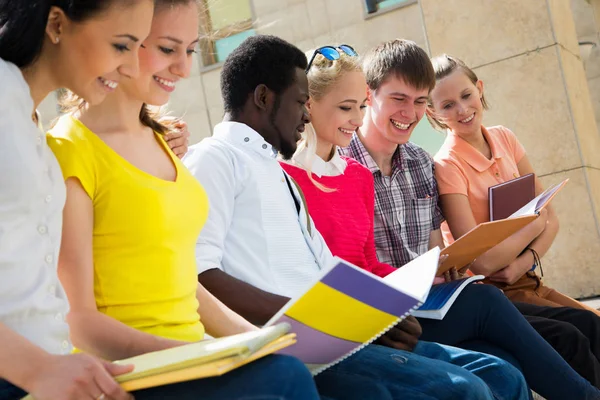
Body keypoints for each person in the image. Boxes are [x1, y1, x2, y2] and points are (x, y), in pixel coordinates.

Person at [184, 34, 537, 400]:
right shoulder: (213, 159)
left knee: (503, 375)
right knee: (470, 390)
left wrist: (381, 318)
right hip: (301, 350)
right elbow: (199, 275)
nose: (306, 115)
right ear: (263, 98)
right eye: (300, 102)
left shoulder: (276, 172)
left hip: (339, 336)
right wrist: (318, 320)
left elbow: (327, 268)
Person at [278, 41, 600, 398]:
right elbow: (340, 271)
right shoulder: (321, 170)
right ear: (371, 95)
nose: (410, 113)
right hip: (380, 313)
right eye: (399, 99)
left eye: (419, 101)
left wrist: (443, 268)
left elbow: (432, 250)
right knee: (496, 314)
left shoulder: (414, 164)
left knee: (510, 363)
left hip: (429, 300)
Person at [46, 2, 319, 399]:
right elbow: (81, 323)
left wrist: (265, 340)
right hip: (133, 374)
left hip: (194, 359)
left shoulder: (162, 140)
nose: (183, 68)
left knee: (296, 369)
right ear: (123, 38)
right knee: (285, 379)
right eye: (167, 49)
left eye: (190, 50)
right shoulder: (69, 149)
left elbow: (183, 285)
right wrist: (203, 354)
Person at [0, 1, 154, 399]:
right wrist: (38, 371)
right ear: (56, 24)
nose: (134, 68)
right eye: (122, 45)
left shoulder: (31, 124)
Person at [429, 54, 600, 318]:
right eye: (448, 105)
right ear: (433, 113)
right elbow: (482, 263)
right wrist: (534, 222)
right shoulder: (446, 165)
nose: (462, 109)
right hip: (493, 293)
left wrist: (522, 262)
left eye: (466, 95)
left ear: (480, 88)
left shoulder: (505, 137)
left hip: (527, 277)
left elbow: (552, 219)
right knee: (586, 327)